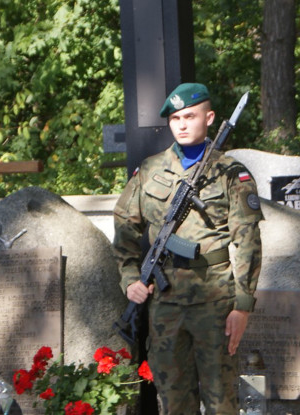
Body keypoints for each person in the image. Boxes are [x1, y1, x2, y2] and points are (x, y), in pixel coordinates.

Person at [112, 82, 263, 414]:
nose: (181, 124)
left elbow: (248, 240)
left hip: (215, 300)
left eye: (190, 116)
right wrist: (130, 279)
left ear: (209, 118)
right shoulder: (150, 170)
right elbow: (125, 226)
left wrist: (243, 306)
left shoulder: (230, 173)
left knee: (221, 399)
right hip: (164, 303)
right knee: (172, 400)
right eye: (175, 118)